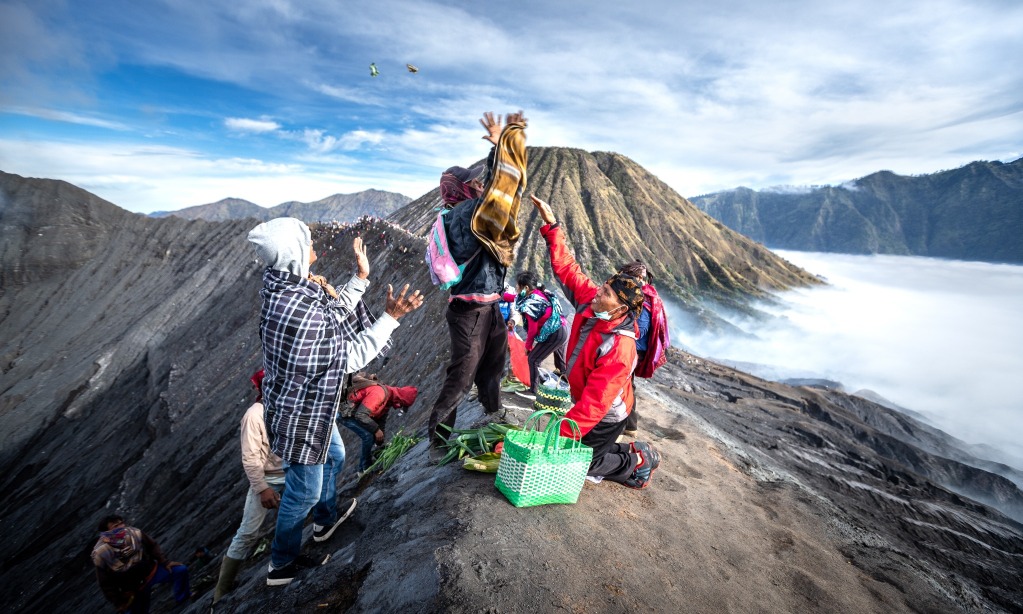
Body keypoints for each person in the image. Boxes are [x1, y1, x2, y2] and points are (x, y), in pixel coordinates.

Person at [247, 218, 423, 586]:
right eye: (307, 241)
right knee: (304, 489)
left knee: (337, 457)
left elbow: (330, 315)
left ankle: (326, 524)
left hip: (310, 405)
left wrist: (360, 278)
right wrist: (390, 318)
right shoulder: (295, 310)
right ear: (293, 253)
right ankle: (281, 565)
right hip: (303, 415)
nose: (314, 245)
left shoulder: (289, 289)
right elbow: (348, 357)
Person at [530, 195, 661, 489]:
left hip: (607, 415)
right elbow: (567, 267)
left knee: (580, 463)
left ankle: (636, 463)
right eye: (602, 288)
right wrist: (552, 227)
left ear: (622, 309)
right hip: (590, 406)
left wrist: (555, 436)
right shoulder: (591, 302)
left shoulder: (619, 348)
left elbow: (594, 407)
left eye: (606, 295)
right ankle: (630, 450)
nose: (598, 295)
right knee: (578, 450)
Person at [427, 111, 529, 446]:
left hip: (487, 307)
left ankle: (492, 411)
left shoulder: (462, 214)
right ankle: (438, 439)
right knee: (461, 376)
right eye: (473, 183)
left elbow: (497, 195)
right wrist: (503, 144)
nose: (479, 185)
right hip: (470, 313)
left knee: (493, 365)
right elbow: (500, 191)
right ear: (460, 190)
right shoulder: (465, 215)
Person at [214, 369, 295, 603]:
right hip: (269, 478)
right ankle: (221, 592)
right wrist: (262, 488)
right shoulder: (254, 415)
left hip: (293, 472)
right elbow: (250, 456)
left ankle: (288, 561)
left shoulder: (288, 404)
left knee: (294, 518)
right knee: (248, 533)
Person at [92, 514, 190, 613]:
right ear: (106, 532)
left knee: (180, 571)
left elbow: (152, 546)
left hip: (151, 572)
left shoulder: (134, 533)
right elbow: (105, 582)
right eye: (115, 526)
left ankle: (183, 600)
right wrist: (118, 602)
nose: (121, 527)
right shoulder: (101, 553)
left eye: (121, 523)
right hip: (132, 589)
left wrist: (165, 562)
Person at [617, 261, 670, 436]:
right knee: (627, 383)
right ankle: (629, 424)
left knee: (622, 383)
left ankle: (627, 424)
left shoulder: (642, 297)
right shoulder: (649, 296)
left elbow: (642, 325)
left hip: (633, 346)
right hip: (637, 346)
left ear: (639, 278)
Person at [340, 372, 419, 471]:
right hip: (343, 412)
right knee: (368, 436)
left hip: (352, 411)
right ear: (400, 399)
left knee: (373, 434)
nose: (399, 408)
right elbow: (360, 415)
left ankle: (365, 465)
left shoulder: (388, 399)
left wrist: (380, 442)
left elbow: (381, 420)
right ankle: (364, 468)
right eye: (401, 405)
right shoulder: (379, 393)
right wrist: (377, 431)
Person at [513, 271, 569, 396]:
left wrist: (528, 347)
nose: (516, 288)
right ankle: (566, 391)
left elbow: (532, 330)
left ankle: (534, 391)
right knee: (561, 365)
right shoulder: (538, 293)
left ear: (526, 288)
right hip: (562, 328)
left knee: (533, 359)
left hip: (555, 333)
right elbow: (514, 298)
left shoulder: (532, 303)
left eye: (518, 286)